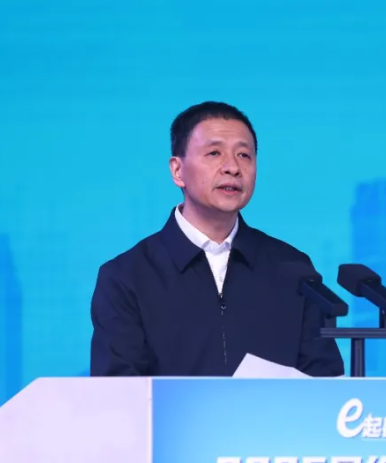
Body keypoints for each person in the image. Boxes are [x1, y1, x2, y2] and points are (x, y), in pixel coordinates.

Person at [89, 101, 345, 377]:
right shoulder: (127, 276)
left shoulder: (292, 269)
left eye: (244, 155)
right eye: (214, 153)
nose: (232, 167)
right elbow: (117, 388)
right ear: (177, 171)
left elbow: (324, 382)